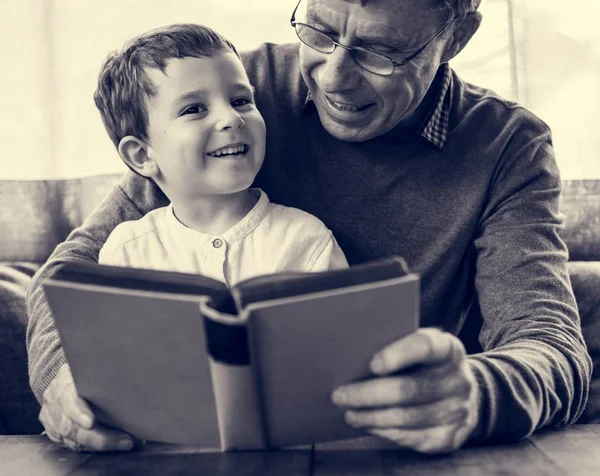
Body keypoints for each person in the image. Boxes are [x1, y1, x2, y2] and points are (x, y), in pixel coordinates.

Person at [27, 0, 591, 455]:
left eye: (381, 51)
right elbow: (66, 276)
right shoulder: (234, 92)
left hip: (380, 454)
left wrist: (476, 393)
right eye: (318, 31)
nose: (335, 77)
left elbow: (550, 343)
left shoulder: (507, 145)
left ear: (457, 37)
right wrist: (62, 380)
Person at [92, 24, 347, 281]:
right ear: (141, 156)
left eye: (241, 101)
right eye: (193, 109)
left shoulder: (308, 243)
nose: (232, 118)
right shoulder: (125, 254)